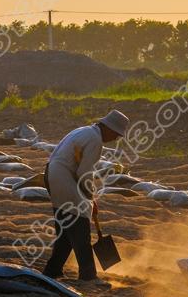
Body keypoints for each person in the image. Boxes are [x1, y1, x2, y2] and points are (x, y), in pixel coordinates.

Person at [42, 109, 129, 285]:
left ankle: (52, 270)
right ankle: (88, 275)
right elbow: (84, 173)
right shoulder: (95, 140)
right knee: (80, 225)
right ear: (109, 128)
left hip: (52, 173)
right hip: (63, 176)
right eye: (116, 134)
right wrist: (90, 197)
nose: (116, 139)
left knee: (66, 227)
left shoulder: (84, 131)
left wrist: (89, 197)